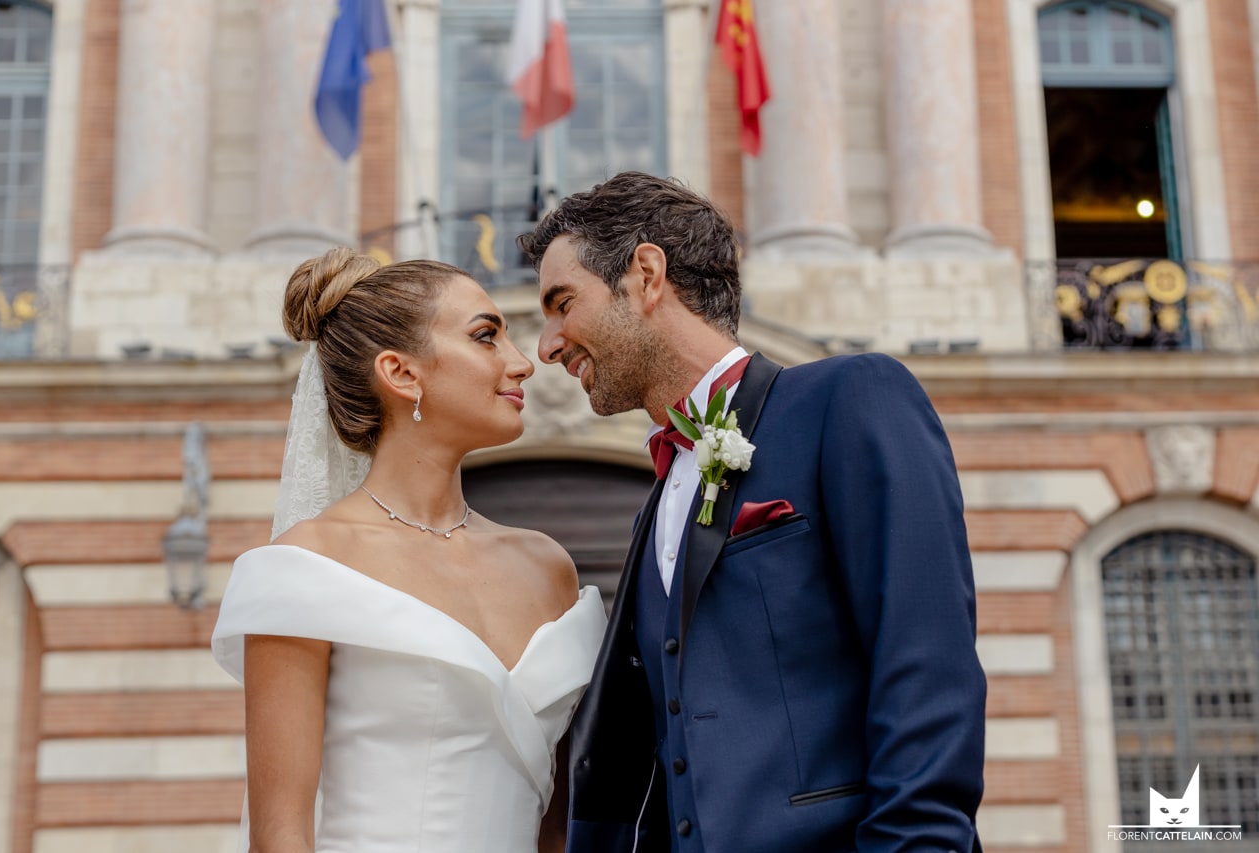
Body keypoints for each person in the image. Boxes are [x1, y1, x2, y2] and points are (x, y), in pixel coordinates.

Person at [518, 172, 986, 853]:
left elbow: (926, 665)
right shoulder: (655, 500)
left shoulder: (848, 401)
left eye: (562, 304)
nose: (548, 344)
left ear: (645, 275)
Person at [210, 248, 607, 853]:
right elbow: (281, 835)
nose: (523, 363)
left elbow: (557, 827)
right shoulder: (305, 568)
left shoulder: (546, 566)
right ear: (400, 373)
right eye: (486, 337)